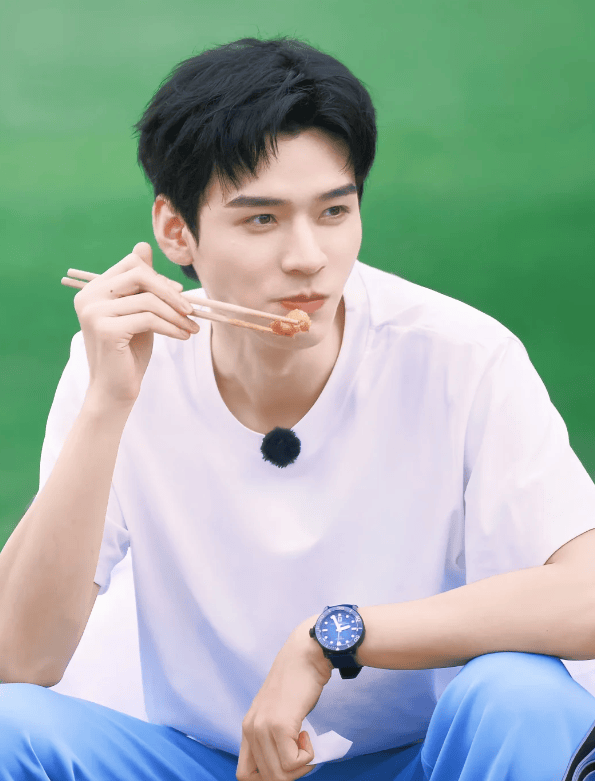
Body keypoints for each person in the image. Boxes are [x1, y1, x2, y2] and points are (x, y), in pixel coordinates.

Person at [1, 35, 595, 781]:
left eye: (334, 211)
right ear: (176, 229)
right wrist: (106, 405)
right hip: (206, 764)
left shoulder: (458, 355)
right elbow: (20, 659)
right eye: (262, 219)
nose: (308, 256)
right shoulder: (120, 362)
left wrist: (333, 637)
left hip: (422, 762)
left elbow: (586, 594)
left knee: (522, 697)